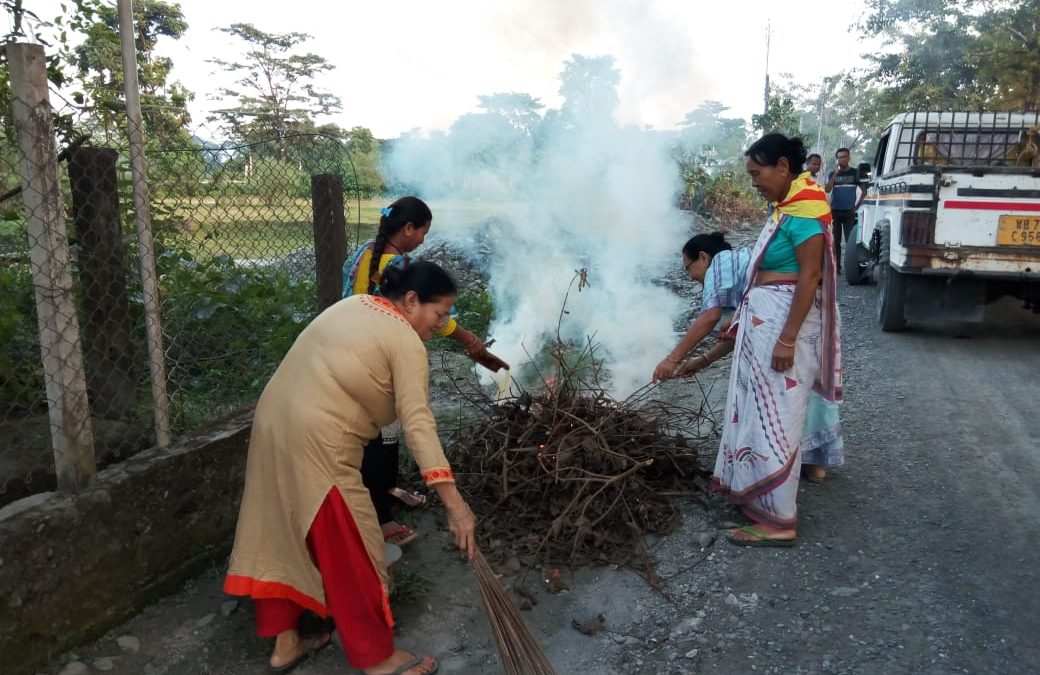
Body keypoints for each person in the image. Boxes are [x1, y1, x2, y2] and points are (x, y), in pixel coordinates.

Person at [224, 260, 473, 675]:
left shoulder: (356, 304)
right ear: (411, 301)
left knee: (278, 528)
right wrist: (456, 505)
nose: (439, 325)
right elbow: (418, 423)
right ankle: (376, 659)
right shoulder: (406, 341)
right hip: (317, 439)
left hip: (272, 420)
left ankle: (286, 644)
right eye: (439, 314)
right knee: (351, 543)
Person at [695, 133, 842, 546]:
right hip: (767, 323)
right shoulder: (789, 207)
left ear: (782, 166)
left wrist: (787, 339)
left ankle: (779, 522)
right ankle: (756, 498)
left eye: (757, 174)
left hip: (783, 328)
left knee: (776, 418)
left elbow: (809, 277)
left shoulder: (806, 211)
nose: (753, 182)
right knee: (758, 414)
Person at [343, 196, 506, 548]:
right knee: (383, 442)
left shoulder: (366, 254)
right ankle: (380, 517)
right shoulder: (398, 268)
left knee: (374, 440)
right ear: (408, 228)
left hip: (357, 350)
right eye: (422, 232)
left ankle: (383, 492)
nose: (423, 240)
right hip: (380, 363)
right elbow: (433, 315)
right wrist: (467, 339)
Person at [654, 232, 844, 483]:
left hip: (788, 317)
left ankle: (773, 470)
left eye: (689, 269)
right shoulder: (738, 266)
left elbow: (708, 317)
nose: (692, 278)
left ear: (703, 257)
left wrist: (671, 360)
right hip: (811, 314)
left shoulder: (719, 266)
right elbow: (738, 334)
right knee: (806, 385)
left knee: (781, 391)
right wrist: (702, 361)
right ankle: (815, 464)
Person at [824, 147, 866, 270]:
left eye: (844, 157)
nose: (842, 159)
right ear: (837, 159)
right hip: (835, 212)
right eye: (839, 157)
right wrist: (835, 174)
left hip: (849, 212)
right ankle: (837, 267)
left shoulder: (855, 173)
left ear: (849, 158)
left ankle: (851, 267)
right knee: (835, 241)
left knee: (850, 242)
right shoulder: (833, 174)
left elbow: (864, 191)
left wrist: (857, 206)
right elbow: (827, 189)